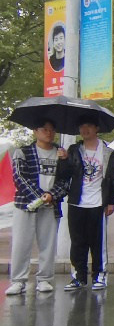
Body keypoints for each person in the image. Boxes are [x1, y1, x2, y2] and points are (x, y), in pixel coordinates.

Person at [5, 120, 70, 296]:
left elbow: (65, 180)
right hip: (25, 204)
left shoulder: (61, 153)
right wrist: (40, 197)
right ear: (35, 131)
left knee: (48, 244)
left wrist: (52, 195)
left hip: (51, 206)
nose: (49, 133)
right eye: (44, 129)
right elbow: (19, 177)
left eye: (52, 130)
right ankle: (18, 281)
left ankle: (44, 279)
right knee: (21, 244)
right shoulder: (23, 152)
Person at [63, 117, 114, 291]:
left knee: (98, 243)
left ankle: (99, 276)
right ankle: (78, 277)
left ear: (97, 128)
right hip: (77, 202)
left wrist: (111, 201)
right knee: (77, 242)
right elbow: (65, 174)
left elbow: (113, 177)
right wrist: (63, 160)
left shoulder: (108, 151)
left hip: (98, 203)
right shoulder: (74, 150)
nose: (84, 129)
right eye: (82, 126)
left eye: (88, 125)